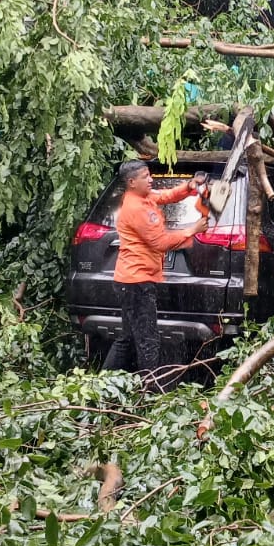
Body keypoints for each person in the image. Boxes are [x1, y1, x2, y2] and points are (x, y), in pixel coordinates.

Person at [103, 161, 207, 388]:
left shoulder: (145, 197)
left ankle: (100, 385)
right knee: (148, 341)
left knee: (128, 338)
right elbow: (160, 242)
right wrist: (192, 230)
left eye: (149, 175)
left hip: (129, 281)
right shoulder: (136, 208)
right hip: (137, 283)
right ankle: (149, 395)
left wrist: (190, 185)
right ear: (132, 182)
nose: (150, 180)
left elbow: (167, 195)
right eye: (145, 176)